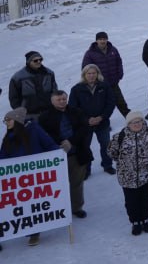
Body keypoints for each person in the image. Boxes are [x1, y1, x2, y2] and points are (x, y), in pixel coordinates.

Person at [1, 107, 58, 246]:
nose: (6, 122)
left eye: (8, 119)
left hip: (34, 176)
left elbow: (49, 145)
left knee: (33, 204)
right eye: (5, 120)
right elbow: (3, 156)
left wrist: (59, 156)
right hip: (16, 178)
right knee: (17, 204)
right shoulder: (8, 137)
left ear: (17, 120)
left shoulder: (34, 130)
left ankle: (34, 233)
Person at [107, 111, 148, 236]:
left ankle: (146, 219)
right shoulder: (119, 137)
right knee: (131, 201)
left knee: (146, 198)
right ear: (128, 124)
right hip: (128, 177)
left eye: (139, 121)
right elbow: (112, 153)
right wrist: (126, 164)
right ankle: (135, 222)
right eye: (133, 122)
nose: (137, 124)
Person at [39, 90, 92, 222]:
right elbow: (44, 134)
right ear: (52, 101)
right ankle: (58, 208)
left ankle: (76, 208)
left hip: (77, 153)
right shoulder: (45, 116)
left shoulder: (77, 112)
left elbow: (84, 129)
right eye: (59, 99)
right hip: (56, 155)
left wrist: (71, 141)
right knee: (57, 184)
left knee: (76, 183)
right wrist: (60, 142)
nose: (62, 101)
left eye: (64, 99)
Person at [71, 63, 117, 174]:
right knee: (85, 146)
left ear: (98, 74)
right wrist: (86, 120)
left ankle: (107, 165)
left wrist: (101, 117)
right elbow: (73, 108)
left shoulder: (104, 86)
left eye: (94, 73)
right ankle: (86, 170)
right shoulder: (76, 89)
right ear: (84, 75)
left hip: (102, 122)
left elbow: (110, 103)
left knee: (106, 145)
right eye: (89, 73)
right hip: (85, 125)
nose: (91, 75)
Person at [9, 50, 58, 121]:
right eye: (35, 60)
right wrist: (21, 113)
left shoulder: (49, 73)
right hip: (29, 116)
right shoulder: (18, 77)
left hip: (49, 113)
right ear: (28, 62)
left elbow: (55, 91)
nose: (39, 62)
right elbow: (13, 98)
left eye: (40, 59)